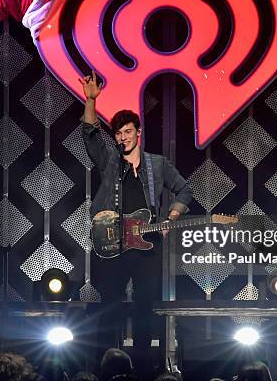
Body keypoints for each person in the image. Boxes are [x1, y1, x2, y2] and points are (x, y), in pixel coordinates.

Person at [79, 70, 193, 375]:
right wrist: (91, 99)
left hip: (146, 244)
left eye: (127, 131)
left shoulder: (157, 164)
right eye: (118, 133)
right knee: (108, 306)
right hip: (112, 245)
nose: (122, 137)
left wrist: (172, 217)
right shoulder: (110, 161)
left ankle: (144, 368)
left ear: (138, 132)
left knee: (145, 307)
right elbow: (90, 133)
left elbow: (185, 190)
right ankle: (107, 366)